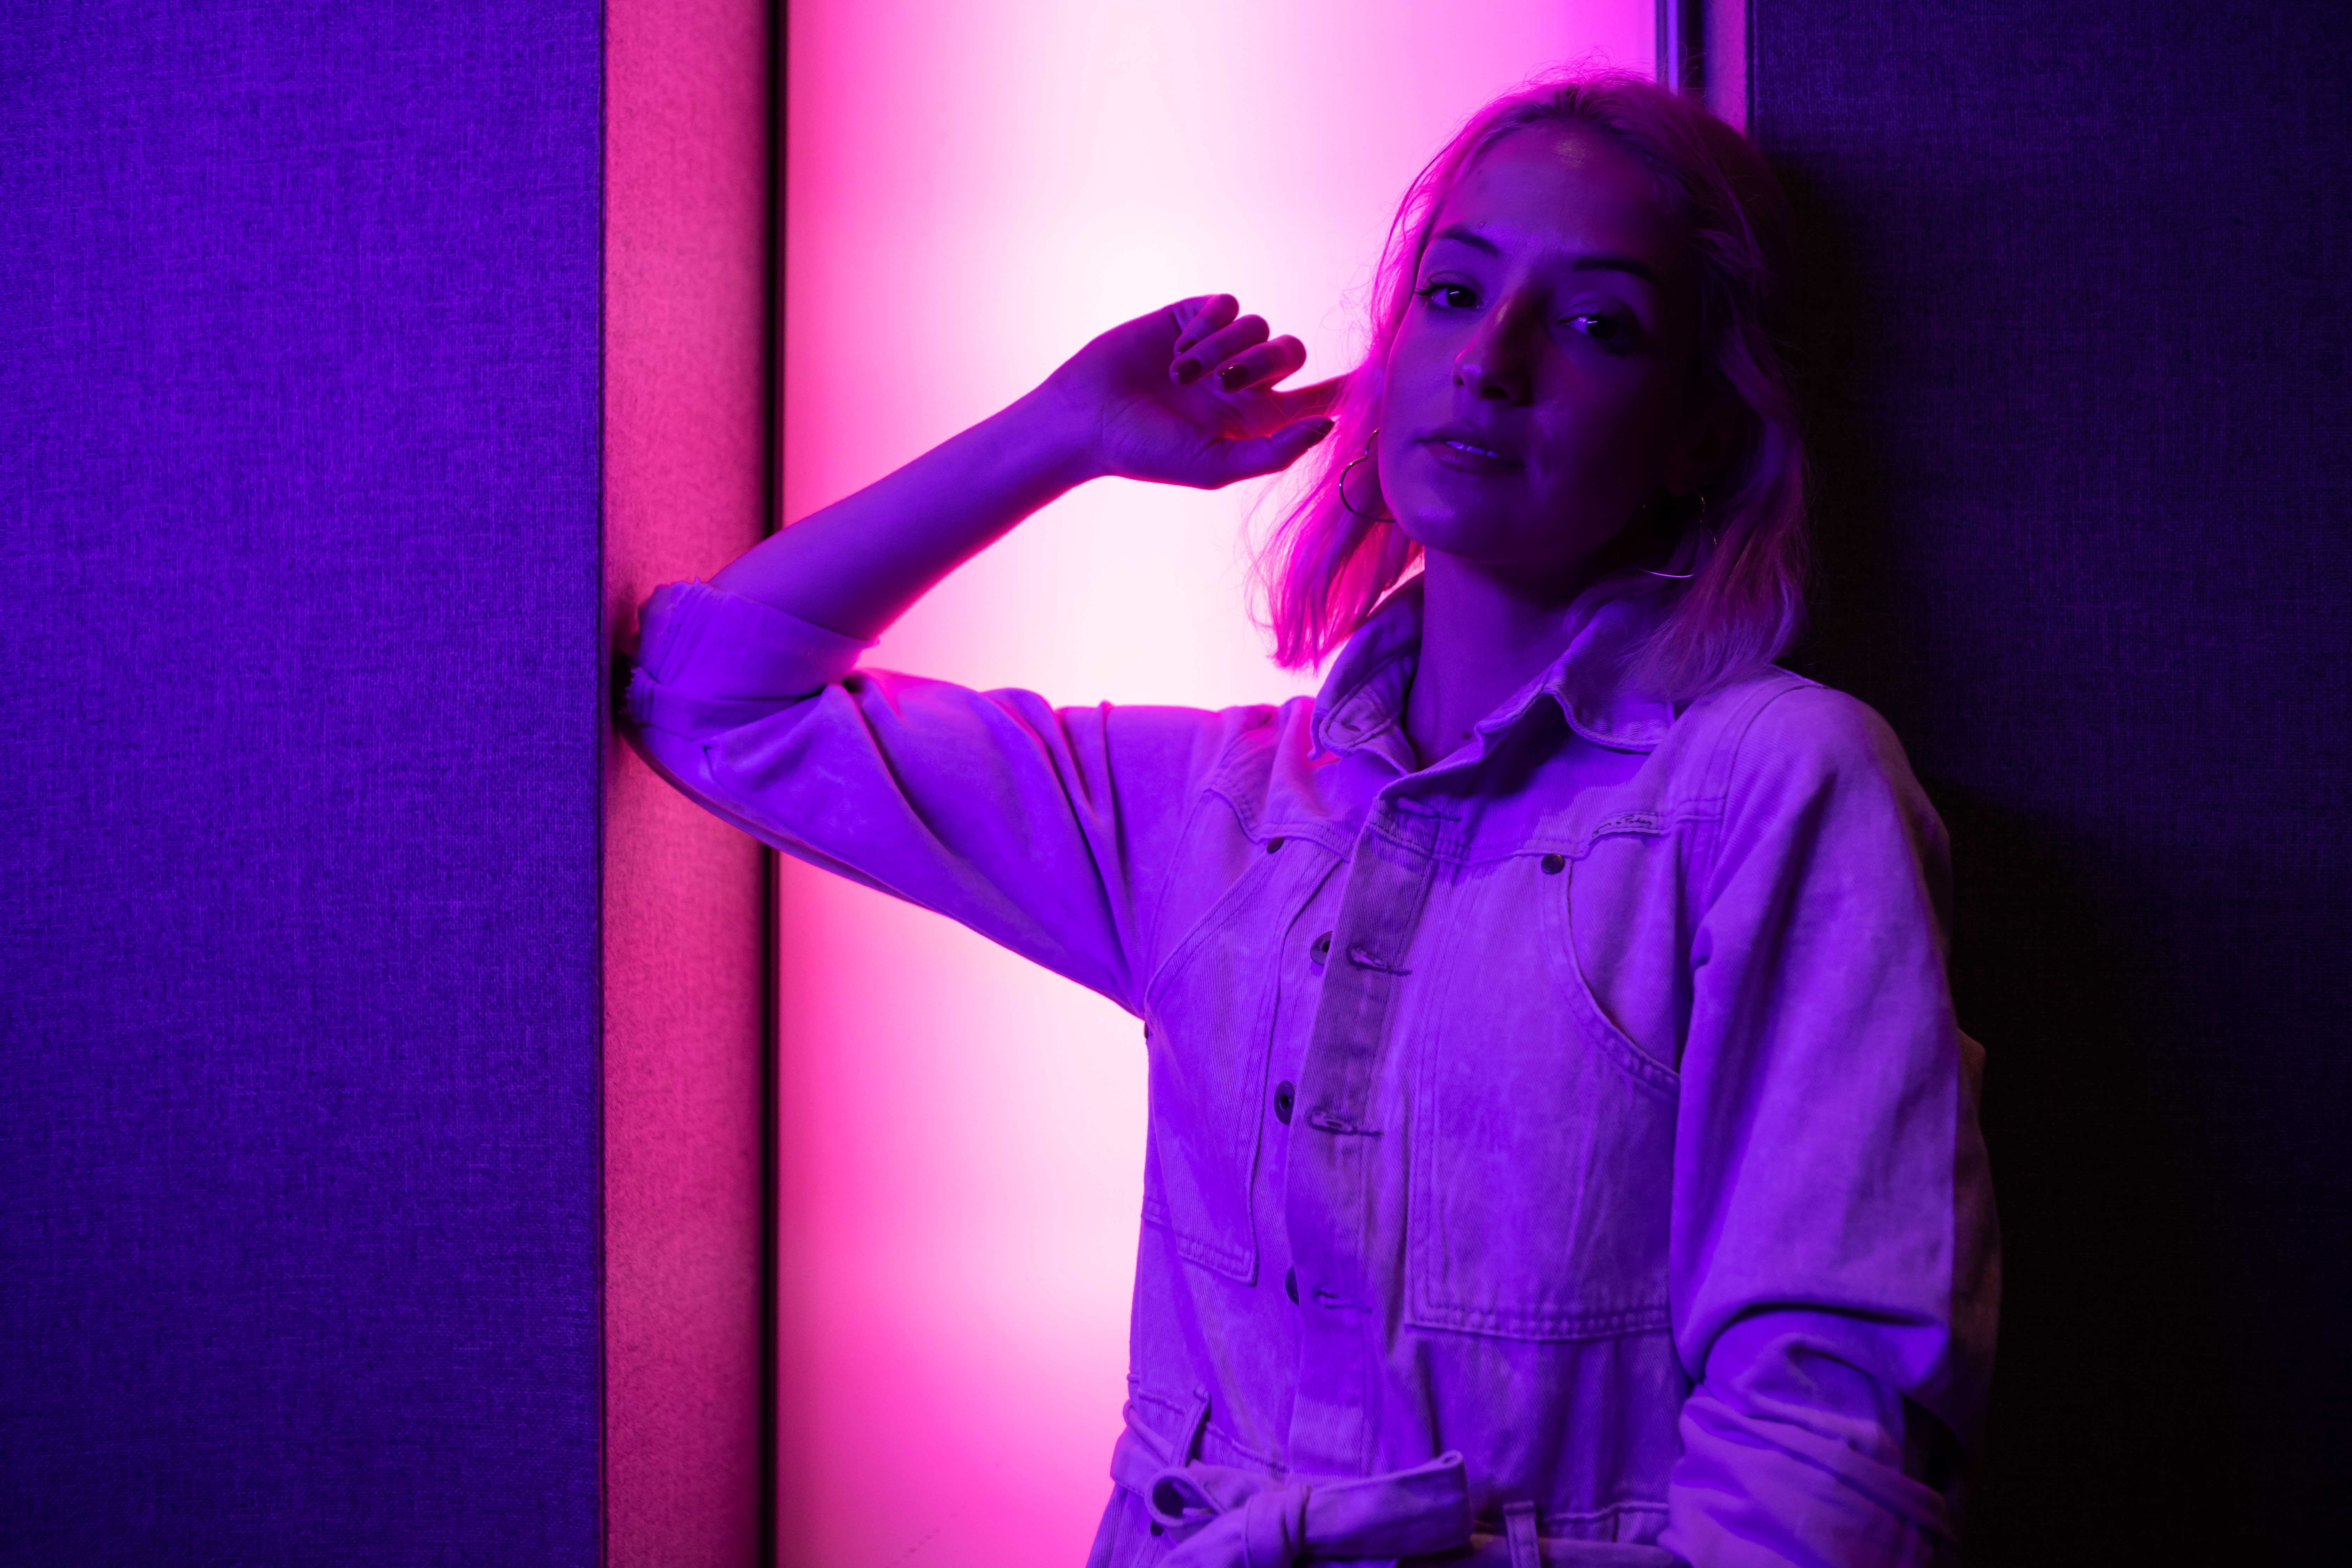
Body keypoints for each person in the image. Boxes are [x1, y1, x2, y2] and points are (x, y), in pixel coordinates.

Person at [623, 68, 1997, 1568]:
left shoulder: (1776, 788)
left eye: (1597, 324)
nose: (1494, 361)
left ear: (1703, 433)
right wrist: (1061, 433)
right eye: (1454, 294)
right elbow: (711, 700)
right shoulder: (1207, 814)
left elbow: (1824, 1451)